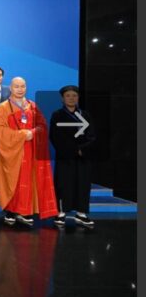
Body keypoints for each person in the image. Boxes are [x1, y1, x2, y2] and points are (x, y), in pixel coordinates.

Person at [0, 77, 58, 227]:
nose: (20, 89)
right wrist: (22, 135)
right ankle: (10, 210)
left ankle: (25, 211)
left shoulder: (32, 106)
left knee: (28, 181)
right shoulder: (3, 108)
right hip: (12, 152)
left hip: (31, 152)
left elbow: (42, 125)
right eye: (16, 86)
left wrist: (34, 132)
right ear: (11, 88)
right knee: (12, 181)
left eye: (23, 86)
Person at [49, 85, 96, 228]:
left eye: (74, 95)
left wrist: (82, 149)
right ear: (62, 98)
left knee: (82, 184)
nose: (71, 98)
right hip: (65, 157)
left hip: (83, 157)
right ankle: (61, 213)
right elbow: (55, 137)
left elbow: (92, 136)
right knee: (64, 184)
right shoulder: (57, 115)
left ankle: (81, 214)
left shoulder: (85, 115)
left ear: (78, 98)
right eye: (68, 95)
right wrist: (74, 150)